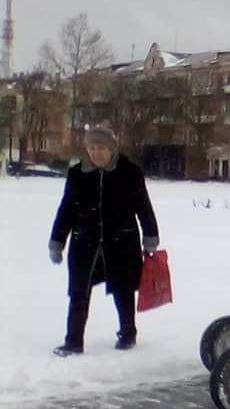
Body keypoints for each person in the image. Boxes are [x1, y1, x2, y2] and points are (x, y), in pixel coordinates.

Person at [48, 126, 160, 356]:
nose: (96, 153)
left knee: (123, 289)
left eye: (101, 148)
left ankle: (128, 333)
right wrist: (57, 241)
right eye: (92, 147)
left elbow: (143, 207)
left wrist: (150, 237)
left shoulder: (129, 172)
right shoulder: (77, 174)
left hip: (121, 241)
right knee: (78, 292)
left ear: (111, 149)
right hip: (84, 243)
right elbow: (66, 209)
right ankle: (73, 341)